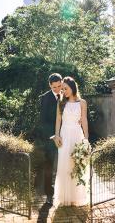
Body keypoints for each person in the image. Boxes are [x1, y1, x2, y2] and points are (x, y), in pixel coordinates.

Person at [52, 76, 89, 206]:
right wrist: (57, 136)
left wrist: (86, 138)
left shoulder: (82, 102)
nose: (64, 91)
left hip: (77, 135)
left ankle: (76, 196)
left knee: (76, 164)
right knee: (64, 165)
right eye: (62, 89)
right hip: (65, 135)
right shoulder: (61, 102)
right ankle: (64, 197)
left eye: (65, 89)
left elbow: (84, 120)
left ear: (73, 88)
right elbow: (58, 120)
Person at [38, 73, 63, 205]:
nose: (58, 89)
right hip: (51, 138)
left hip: (66, 135)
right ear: (50, 85)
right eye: (54, 88)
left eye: (59, 86)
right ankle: (49, 194)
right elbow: (43, 121)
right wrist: (53, 136)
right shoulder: (44, 98)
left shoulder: (68, 94)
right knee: (49, 167)